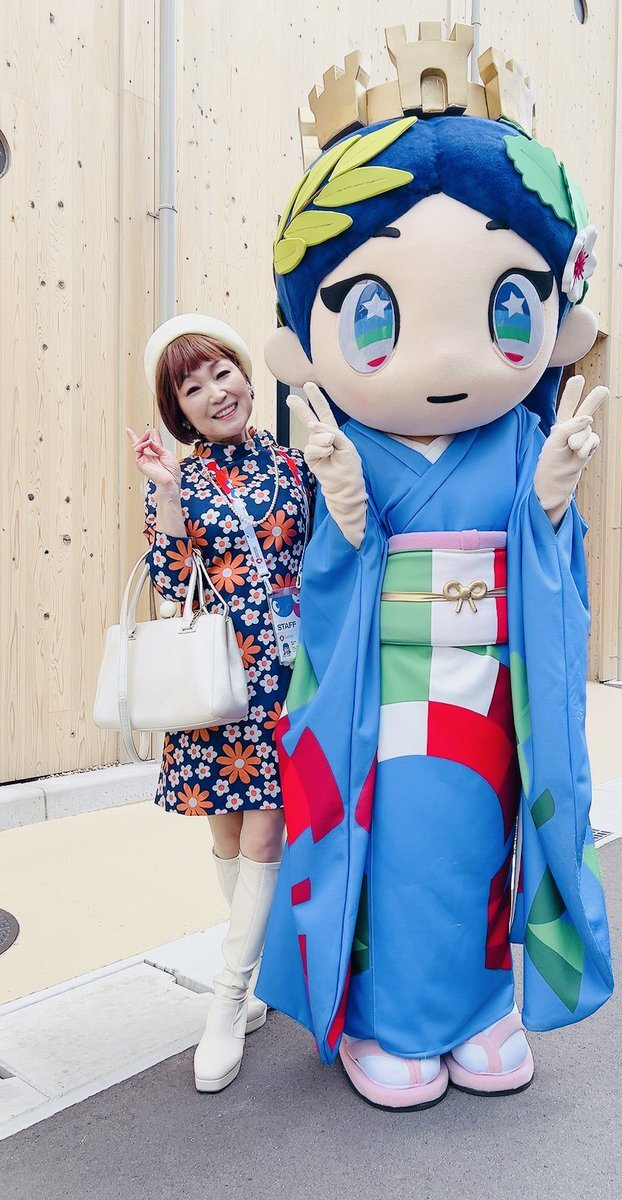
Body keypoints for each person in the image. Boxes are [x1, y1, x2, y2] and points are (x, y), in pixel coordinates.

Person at [256, 81, 614, 1108]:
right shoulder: (353, 446)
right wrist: (347, 521)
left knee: (480, 843)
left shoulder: (521, 439)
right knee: (396, 849)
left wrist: (546, 508)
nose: (448, 358)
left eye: (504, 308)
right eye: (372, 315)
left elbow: (551, 578)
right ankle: (389, 1020)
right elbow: (328, 589)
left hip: (493, 690)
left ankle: (483, 1008)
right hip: (384, 695)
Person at [127, 314, 313, 1093]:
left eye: (221, 373)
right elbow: (172, 583)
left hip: (287, 676)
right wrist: (167, 492)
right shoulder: (182, 479)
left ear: (244, 372)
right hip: (218, 681)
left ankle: (228, 1000)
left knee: (267, 831)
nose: (214, 393)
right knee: (229, 832)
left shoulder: (295, 466)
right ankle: (256, 982)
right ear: (179, 410)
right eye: (191, 387)